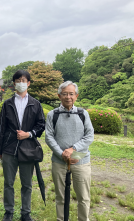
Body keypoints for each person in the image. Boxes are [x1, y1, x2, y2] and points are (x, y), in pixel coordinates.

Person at [0, 70, 45, 221]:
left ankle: (26, 213)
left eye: (23, 80)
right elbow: (1, 127)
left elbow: (41, 124)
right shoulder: (7, 104)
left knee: (27, 184)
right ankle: (8, 211)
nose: (21, 83)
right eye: (18, 80)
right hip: (9, 148)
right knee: (8, 183)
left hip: (28, 149)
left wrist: (29, 134)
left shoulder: (35, 104)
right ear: (14, 83)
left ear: (28, 83)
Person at [45, 81, 94, 221]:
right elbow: (49, 137)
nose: (68, 97)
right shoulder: (52, 115)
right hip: (59, 161)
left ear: (76, 96)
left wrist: (73, 149)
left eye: (71, 94)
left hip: (81, 160)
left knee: (83, 197)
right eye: (65, 94)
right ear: (59, 96)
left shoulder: (83, 114)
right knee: (60, 196)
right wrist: (62, 154)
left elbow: (89, 136)